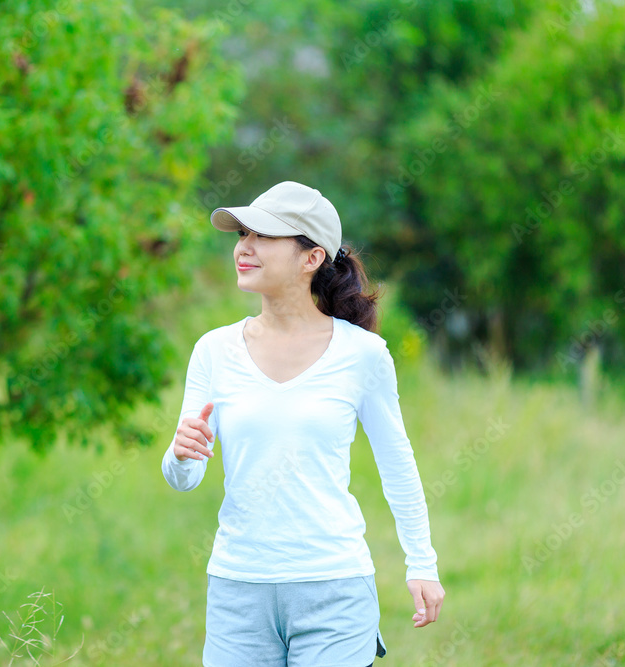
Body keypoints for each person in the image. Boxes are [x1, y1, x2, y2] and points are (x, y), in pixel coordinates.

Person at [161, 181, 445, 667]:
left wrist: (422, 562)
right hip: (237, 590)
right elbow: (184, 477)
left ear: (311, 258)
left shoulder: (363, 354)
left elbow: (397, 463)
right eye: (242, 234)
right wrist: (180, 454)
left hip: (333, 589)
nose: (243, 248)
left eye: (262, 236)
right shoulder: (214, 350)